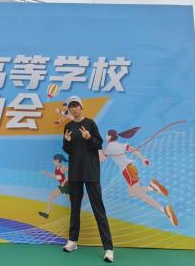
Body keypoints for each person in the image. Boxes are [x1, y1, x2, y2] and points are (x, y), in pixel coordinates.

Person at [62, 96, 114, 263]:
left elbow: (98, 144)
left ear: (81, 107)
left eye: (76, 105)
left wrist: (89, 138)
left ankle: (108, 248)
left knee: (98, 208)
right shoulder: (68, 126)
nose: (74, 108)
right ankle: (73, 241)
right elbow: (68, 150)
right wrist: (67, 142)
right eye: (71, 106)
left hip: (91, 172)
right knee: (75, 208)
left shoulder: (90, 123)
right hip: (75, 173)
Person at [100, 128, 178, 227]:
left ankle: (164, 210)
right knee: (132, 193)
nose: (105, 136)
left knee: (139, 194)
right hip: (131, 168)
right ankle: (152, 187)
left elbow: (102, 158)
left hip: (127, 171)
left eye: (106, 134)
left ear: (109, 137)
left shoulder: (109, 147)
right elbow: (133, 149)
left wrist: (96, 147)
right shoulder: (120, 145)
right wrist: (143, 159)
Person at [38, 154, 69, 218]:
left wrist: (64, 182)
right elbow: (56, 177)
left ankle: (47, 214)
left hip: (67, 185)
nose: (53, 162)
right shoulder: (56, 168)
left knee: (52, 195)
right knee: (71, 200)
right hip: (63, 186)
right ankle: (47, 214)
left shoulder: (62, 167)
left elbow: (71, 172)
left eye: (53, 161)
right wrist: (46, 173)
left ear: (57, 160)